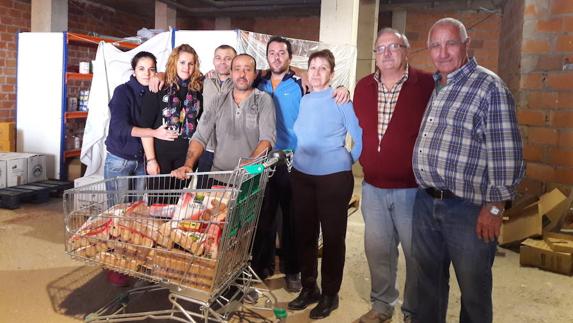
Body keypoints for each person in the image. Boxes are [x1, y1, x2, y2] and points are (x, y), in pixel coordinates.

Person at [411, 18, 525, 323]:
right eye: (435, 45)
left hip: (468, 209)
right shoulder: (439, 85)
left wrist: (496, 207)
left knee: (474, 291)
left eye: (451, 43)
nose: (443, 52)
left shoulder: (489, 86)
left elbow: (507, 153)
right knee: (428, 288)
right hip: (426, 203)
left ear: (466, 44)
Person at [251, 36, 350, 292]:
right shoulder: (258, 82)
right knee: (265, 216)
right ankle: (262, 267)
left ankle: (293, 270)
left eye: (281, 52)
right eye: (271, 52)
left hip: (294, 159)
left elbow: (323, 89)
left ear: (289, 57)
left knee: (293, 219)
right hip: (264, 159)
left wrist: (343, 88)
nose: (276, 56)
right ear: (267, 56)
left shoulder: (299, 82)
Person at [353, 29, 434, 323]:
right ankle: (382, 305)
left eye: (393, 47)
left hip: (413, 190)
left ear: (406, 51)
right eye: (380, 48)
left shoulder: (426, 84)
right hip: (373, 187)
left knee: (416, 254)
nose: (386, 53)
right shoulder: (363, 87)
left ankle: (413, 311)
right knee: (378, 251)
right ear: (374, 55)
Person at [287, 49, 362, 320]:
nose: (317, 72)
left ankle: (331, 294)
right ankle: (310, 288)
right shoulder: (305, 100)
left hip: (333, 178)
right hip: (302, 175)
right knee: (305, 235)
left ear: (331, 74)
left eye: (323, 68)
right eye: (313, 67)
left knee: (332, 238)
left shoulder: (340, 99)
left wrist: (346, 160)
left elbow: (358, 135)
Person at [103, 51, 178, 286]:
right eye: (142, 68)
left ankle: (132, 260)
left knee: (137, 214)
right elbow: (120, 128)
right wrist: (154, 133)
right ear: (134, 70)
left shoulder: (154, 90)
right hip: (120, 159)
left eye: (151, 68)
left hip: (141, 161)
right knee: (117, 213)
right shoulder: (123, 92)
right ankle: (114, 264)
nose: (147, 73)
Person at [171, 53, 276, 179]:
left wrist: (250, 162)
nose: (242, 74)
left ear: (255, 74)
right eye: (237, 69)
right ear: (231, 73)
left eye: (247, 70)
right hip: (218, 176)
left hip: (250, 178)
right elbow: (200, 136)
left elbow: (267, 139)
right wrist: (188, 164)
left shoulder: (264, 100)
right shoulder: (218, 100)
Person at [139, 44, 203, 200]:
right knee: (157, 207)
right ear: (174, 63)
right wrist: (151, 160)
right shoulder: (158, 86)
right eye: (182, 62)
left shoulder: (198, 91)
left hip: (185, 158)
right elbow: (145, 127)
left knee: (177, 206)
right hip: (160, 156)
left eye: (190, 63)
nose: (186, 67)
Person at [196, 44, 237, 174]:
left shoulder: (242, 82)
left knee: (225, 192)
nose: (222, 62)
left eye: (228, 58)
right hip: (207, 149)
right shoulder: (204, 81)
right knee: (201, 191)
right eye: (218, 58)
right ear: (213, 60)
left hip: (231, 151)